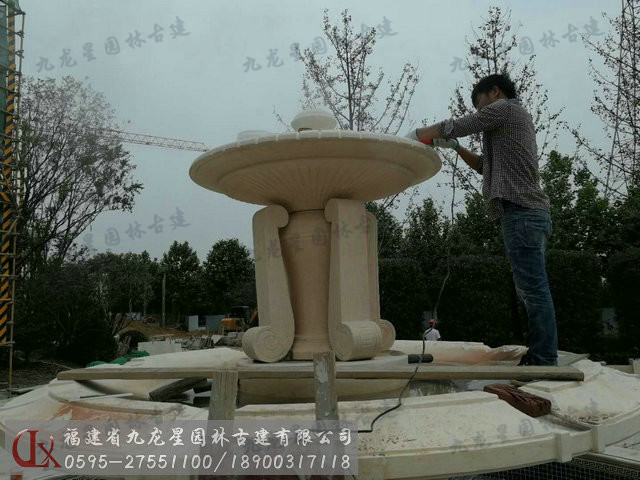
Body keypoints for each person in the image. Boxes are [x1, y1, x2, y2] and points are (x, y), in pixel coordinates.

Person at [406, 73, 557, 366]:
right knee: (531, 289)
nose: (479, 111)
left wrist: (416, 135)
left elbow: (459, 125)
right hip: (527, 214)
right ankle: (541, 354)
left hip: (522, 213)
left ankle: (543, 358)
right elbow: (483, 166)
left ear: (494, 92)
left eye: (480, 103)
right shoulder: (512, 122)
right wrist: (456, 148)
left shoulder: (506, 108)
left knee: (533, 290)